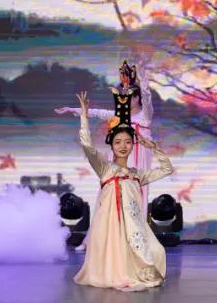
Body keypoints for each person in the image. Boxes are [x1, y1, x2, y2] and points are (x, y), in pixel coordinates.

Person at [73, 88, 174, 291]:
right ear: (111, 145)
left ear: (133, 145)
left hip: (134, 228)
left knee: (157, 252)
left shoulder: (137, 174)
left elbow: (166, 169)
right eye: (118, 142)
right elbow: (87, 146)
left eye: (128, 142)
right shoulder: (105, 169)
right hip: (110, 227)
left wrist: (152, 146)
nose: (123, 146)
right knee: (117, 260)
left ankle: (134, 271)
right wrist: (84, 116)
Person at [55, 59, 158, 208]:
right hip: (119, 156)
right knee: (114, 187)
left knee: (135, 190)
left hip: (139, 156)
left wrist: (142, 76)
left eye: (128, 96)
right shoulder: (120, 115)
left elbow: (147, 97)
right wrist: (72, 109)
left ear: (136, 98)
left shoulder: (145, 115)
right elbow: (97, 112)